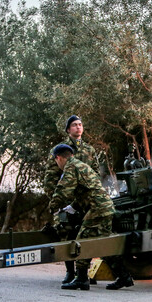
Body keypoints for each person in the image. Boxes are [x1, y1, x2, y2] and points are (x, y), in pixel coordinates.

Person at [49, 144, 134, 291]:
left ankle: (81, 279)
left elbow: (64, 190)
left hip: (98, 209)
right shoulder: (80, 165)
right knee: (104, 245)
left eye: (56, 161)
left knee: (82, 241)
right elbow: (85, 190)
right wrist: (72, 207)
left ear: (59, 158)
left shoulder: (71, 167)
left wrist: (53, 205)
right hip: (103, 207)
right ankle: (124, 276)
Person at [43, 115, 100, 284]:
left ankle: (83, 273)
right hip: (67, 200)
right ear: (68, 129)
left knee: (87, 234)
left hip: (85, 201)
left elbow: (96, 173)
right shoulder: (59, 150)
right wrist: (59, 201)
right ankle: (70, 271)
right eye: (74, 125)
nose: (78, 127)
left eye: (80, 124)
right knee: (66, 233)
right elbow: (50, 178)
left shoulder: (90, 150)